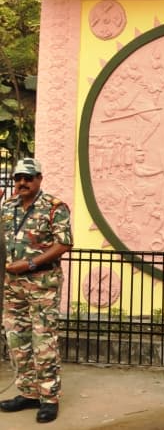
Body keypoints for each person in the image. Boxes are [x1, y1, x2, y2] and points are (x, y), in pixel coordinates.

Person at [1, 157, 73, 424]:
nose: (22, 182)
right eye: (18, 177)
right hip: (13, 286)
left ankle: (49, 398)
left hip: (43, 284)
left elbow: (64, 243)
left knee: (43, 341)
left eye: (28, 177)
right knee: (16, 340)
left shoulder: (54, 207)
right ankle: (28, 392)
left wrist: (30, 263)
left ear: (39, 179)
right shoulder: (7, 207)